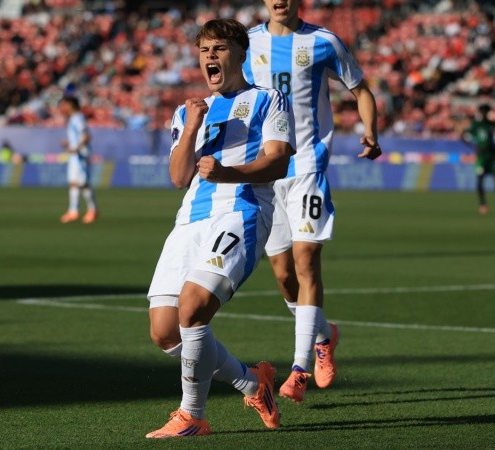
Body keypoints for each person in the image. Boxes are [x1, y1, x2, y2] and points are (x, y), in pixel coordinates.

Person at [145, 19, 295, 438]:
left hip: (242, 211)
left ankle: (192, 416)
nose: (210, 56)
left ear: (240, 54)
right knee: (164, 332)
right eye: (205, 50)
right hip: (190, 220)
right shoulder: (186, 110)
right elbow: (178, 177)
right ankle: (252, 381)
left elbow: (279, 160)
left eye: (220, 48)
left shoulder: (268, 100)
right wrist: (192, 125)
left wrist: (228, 173)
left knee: (193, 309)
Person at [243, 0, 382, 403]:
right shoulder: (247, 43)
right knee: (284, 275)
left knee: (306, 260)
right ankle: (325, 335)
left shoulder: (324, 42)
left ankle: (299, 367)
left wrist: (370, 134)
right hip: (268, 171)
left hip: (307, 167)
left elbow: (361, 89)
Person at [461, 104, 495, 215]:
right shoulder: (476, 125)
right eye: (482, 111)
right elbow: (463, 135)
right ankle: (483, 205)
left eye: (486, 111)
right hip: (481, 157)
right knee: (480, 179)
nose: (484, 114)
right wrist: (473, 146)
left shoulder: (492, 124)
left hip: (491, 156)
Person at [59, 95, 97, 224]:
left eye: (65, 104)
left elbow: (86, 136)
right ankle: (73, 210)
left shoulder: (78, 118)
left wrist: (76, 148)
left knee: (83, 183)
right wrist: (69, 145)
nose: (63, 107)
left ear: (71, 105)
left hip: (80, 155)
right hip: (75, 155)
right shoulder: (73, 119)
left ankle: (92, 209)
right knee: (74, 182)